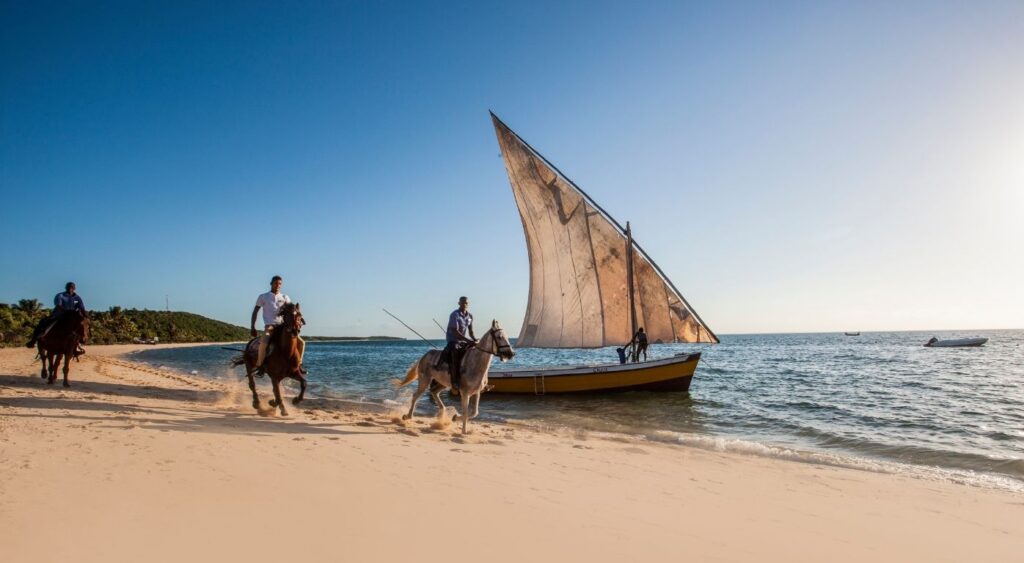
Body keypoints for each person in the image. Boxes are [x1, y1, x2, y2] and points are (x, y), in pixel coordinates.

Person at [250, 275, 306, 375]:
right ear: (271, 284)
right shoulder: (263, 296)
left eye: (280, 284)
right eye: (276, 283)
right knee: (263, 343)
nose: (278, 285)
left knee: (301, 342)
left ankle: (299, 364)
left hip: (283, 326)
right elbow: (255, 311)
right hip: (270, 326)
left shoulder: (285, 297)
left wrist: (300, 318)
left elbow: (292, 311)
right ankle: (260, 366)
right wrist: (252, 327)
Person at [26, 282, 88, 351]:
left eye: (72, 287)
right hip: (59, 315)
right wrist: (67, 311)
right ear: (66, 288)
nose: (70, 289)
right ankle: (34, 339)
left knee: (80, 328)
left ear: (74, 288)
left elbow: (81, 307)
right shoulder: (60, 296)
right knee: (43, 323)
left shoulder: (77, 298)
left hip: (72, 318)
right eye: (69, 287)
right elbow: (58, 305)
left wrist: (86, 316)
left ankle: (77, 345)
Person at [437, 296, 476, 392]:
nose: (464, 304)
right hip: (453, 340)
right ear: (459, 303)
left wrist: (475, 339)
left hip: (463, 341)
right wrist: (468, 341)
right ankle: (455, 381)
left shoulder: (470, 316)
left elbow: (471, 331)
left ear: (468, 304)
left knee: (476, 351)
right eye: (462, 303)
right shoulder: (454, 315)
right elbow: (455, 331)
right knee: (455, 354)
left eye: (466, 303)